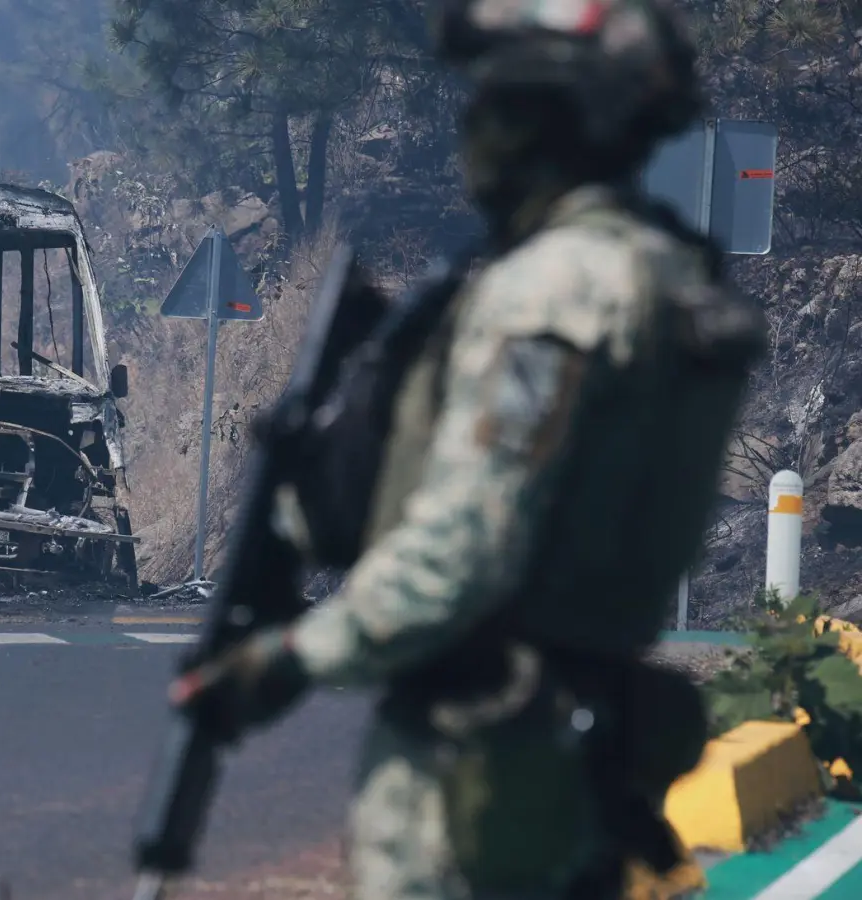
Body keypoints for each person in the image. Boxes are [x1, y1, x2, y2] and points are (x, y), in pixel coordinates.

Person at [169, 1, 767, 897]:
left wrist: (288, 660)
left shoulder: (553, 294)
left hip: (476, 776)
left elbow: (465, 549)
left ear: (543, 118)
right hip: (581, 755)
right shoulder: (673, 278)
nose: (474, 129)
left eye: (496, 100)